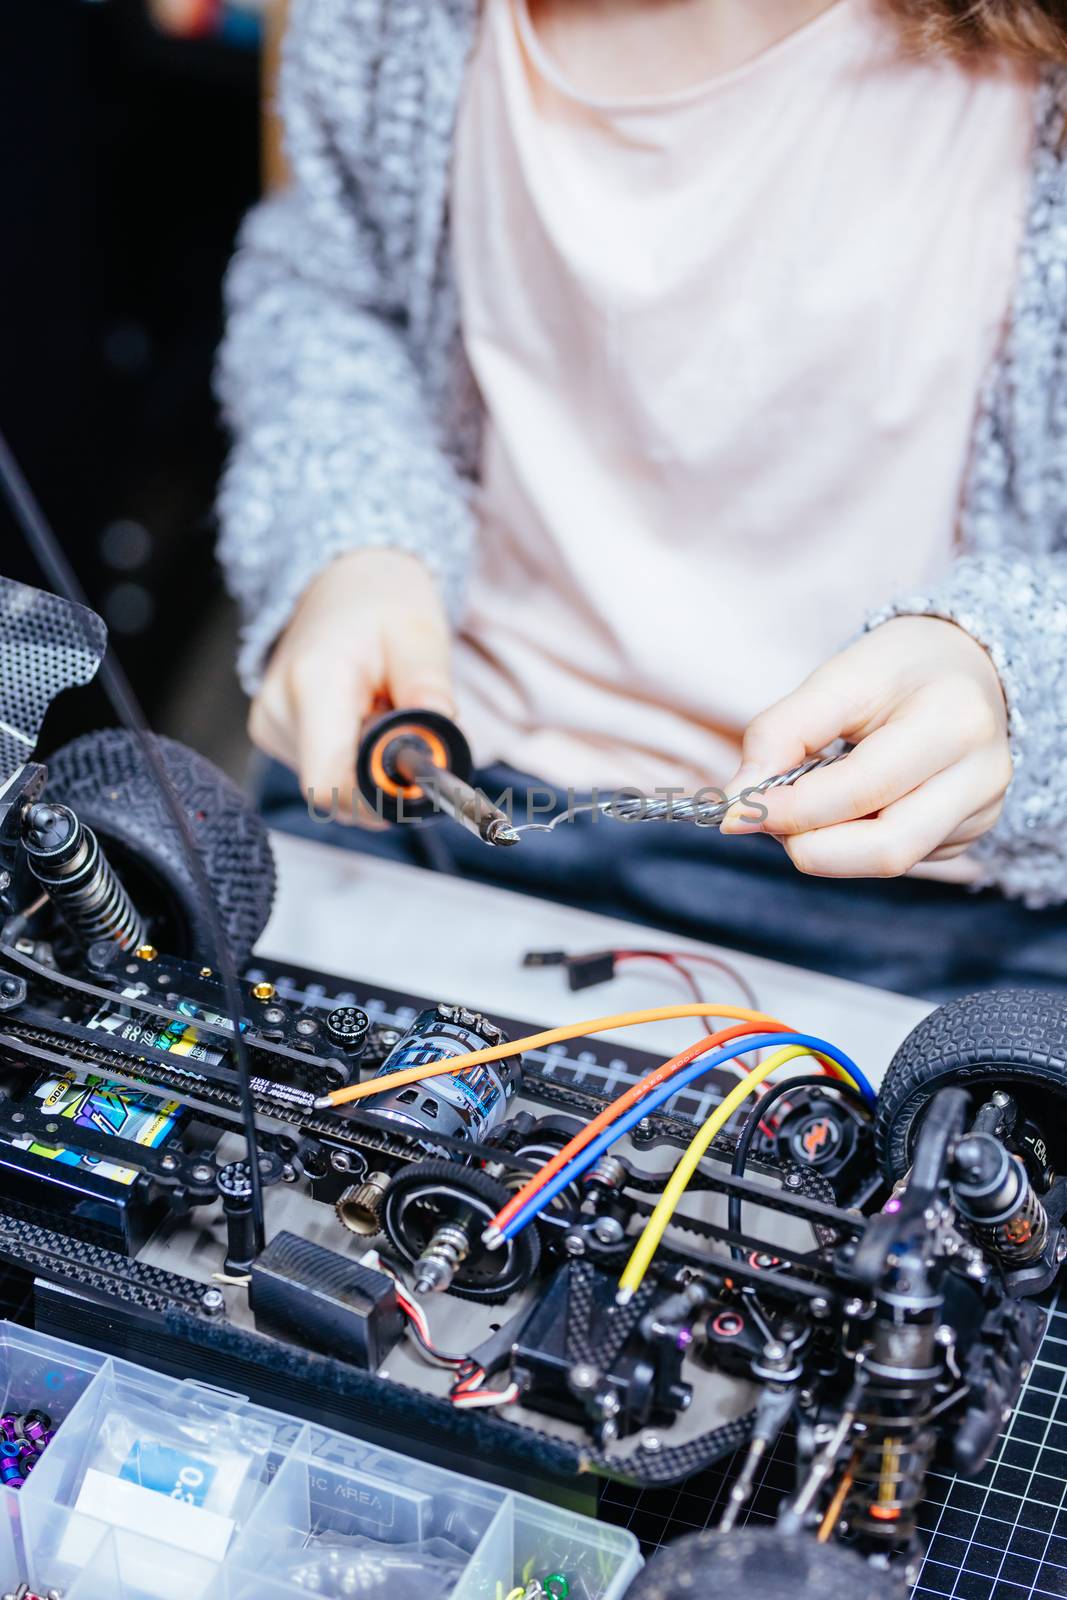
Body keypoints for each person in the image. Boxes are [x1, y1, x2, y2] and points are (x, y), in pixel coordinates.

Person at [216, 0, 1067, 1000]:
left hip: (928, 901)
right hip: (437, 789)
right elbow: (328, 290)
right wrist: (349, 545)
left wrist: (1015, 679)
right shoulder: (393, 20)